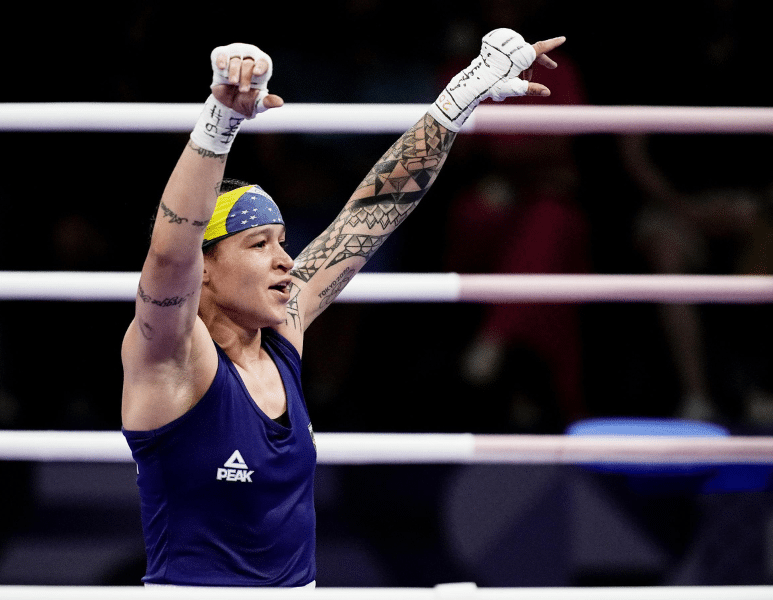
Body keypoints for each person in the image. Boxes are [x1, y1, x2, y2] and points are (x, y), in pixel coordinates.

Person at [121, 30, 566, 587]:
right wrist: (221, 121)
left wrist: (460, 97)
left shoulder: (282, 332)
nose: (285, 260)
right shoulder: (171, 358)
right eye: (259, 244)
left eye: (283, 242)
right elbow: (169, 254)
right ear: (204, 267)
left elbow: (372, 209)